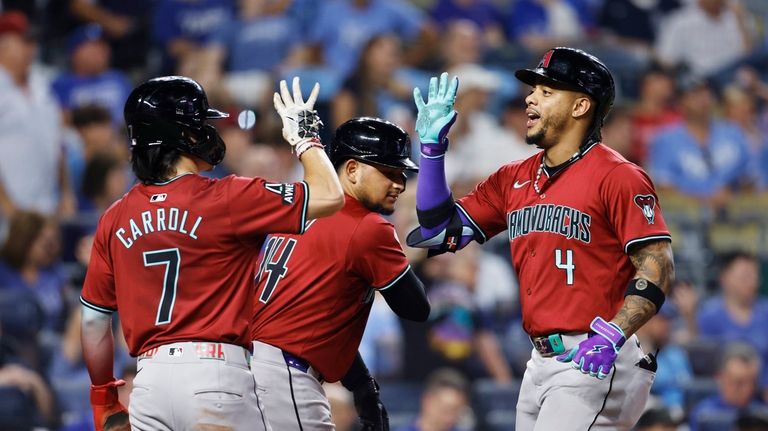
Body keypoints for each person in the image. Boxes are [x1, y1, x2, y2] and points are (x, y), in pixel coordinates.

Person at [407, 47, 675, 430]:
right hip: (539, 364)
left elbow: (658, 265)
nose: (531, 97)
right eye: (534, 89)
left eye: (547, 91)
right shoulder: (512, 177)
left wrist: (614, 333)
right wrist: (432, 152)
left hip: (593, 357)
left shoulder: (619, 176)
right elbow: (438, 230)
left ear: (581, 106)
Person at [79, 75, 344, 431]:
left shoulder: (114, 217)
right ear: (183, 135)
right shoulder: (228, 196)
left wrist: (103, 394)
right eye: (200, 125)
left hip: (148, 384)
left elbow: (95, 322)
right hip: (214, 377)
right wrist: (306, 138)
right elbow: (330, 195)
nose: (206, 133)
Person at [249, 116, 430, 430]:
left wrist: (361, 384)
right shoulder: (367, 226)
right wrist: (426, 244)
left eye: (401, 173)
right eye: (388, 171)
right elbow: (416, 308)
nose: (399, 183)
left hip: (247, 367)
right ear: (352, 169)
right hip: (285, 376)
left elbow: (319, 321)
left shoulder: (296, 205)